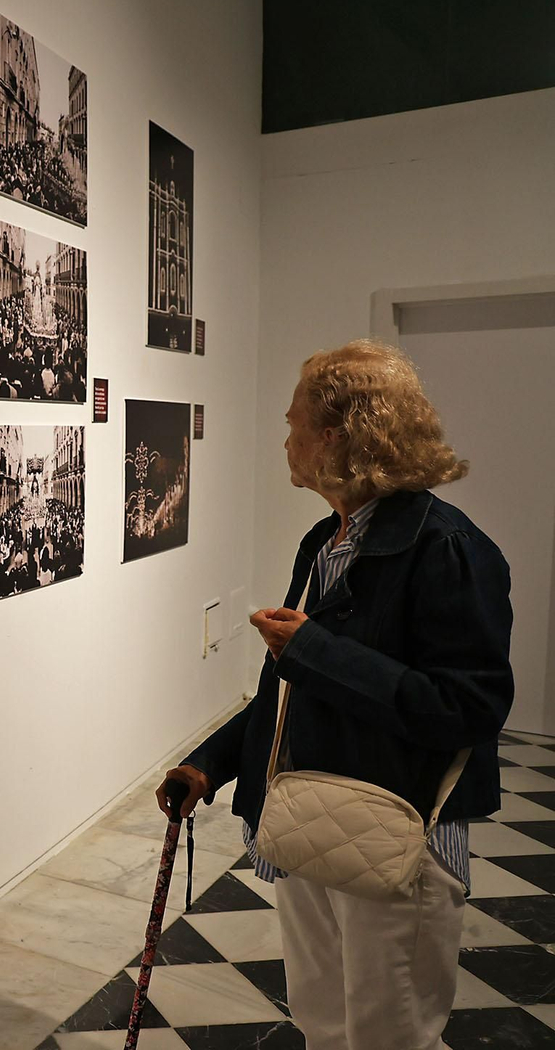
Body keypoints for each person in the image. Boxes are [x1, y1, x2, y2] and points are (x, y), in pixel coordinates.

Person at [159, 340, 512, 1050]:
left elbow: (468, 706)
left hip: (397, 836)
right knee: (324, 1022)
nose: (284, 439)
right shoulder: (328, 539)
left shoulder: (445, 548)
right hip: (313, 815)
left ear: (338, 436)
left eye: (294, 424)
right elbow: (293, 690)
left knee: (391, 1033)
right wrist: (210, 762)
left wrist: (313, 649)